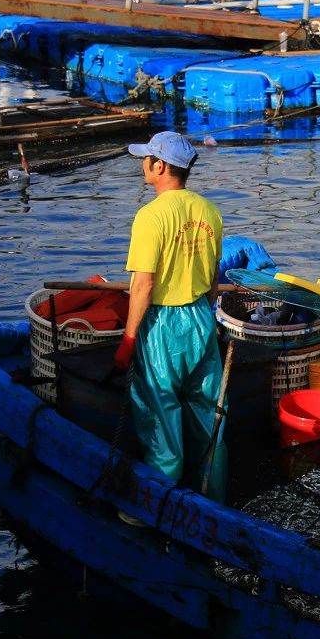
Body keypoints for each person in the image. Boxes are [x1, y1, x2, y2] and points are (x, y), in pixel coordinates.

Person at [113, 131, 228, 505]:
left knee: (161, 416)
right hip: (200, 319)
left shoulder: (151, 216)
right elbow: (213, 281)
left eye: (146, 159)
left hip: (163, 325)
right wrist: (202, 319)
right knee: (207, 415)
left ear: (159, 166)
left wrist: (129, 340)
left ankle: (158, 506)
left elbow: (143, 286)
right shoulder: (209, 211)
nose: (143, 165)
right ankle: (214, 499)